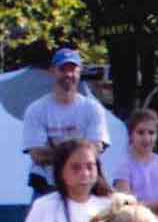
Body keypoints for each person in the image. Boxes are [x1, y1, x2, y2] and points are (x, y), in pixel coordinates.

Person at [21, 47, 110, 196]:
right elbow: (37, 155)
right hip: (47, 186)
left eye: (73, 69)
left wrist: (56, 151)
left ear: (80, 72)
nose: (68, 74)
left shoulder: (93, 109)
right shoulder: (36, 110)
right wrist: (80, 152)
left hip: (85, 185)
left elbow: (97, 148)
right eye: (62, 69)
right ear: (52, 71)